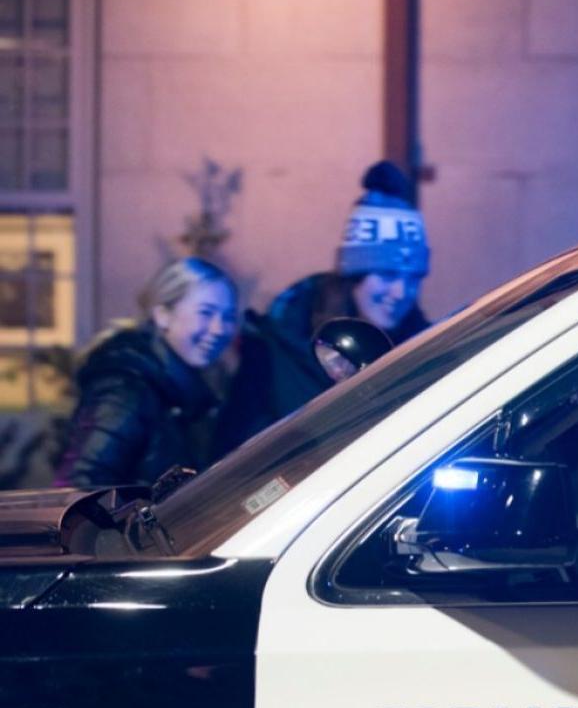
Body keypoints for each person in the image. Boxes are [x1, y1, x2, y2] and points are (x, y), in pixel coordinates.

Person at [215, 161, 431, 452]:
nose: (401, 292)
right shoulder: (278, 344)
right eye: (387, 274)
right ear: (354, 275)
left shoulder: (424, 349)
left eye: (413, 278)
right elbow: (234, 451)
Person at [54, 258, 239, 488]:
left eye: (229, 317)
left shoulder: (193, 391)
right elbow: (79, 485)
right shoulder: (127, 387)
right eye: (206, 313)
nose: (219, 329)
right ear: (163, 315)